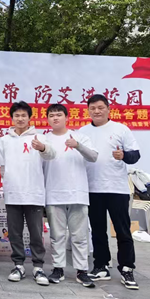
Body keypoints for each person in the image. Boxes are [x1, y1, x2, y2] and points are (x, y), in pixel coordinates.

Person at [79, 94, 141, 290]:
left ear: (108, 109)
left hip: (116, 189)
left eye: (100, 107)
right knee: (97, 230)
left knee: (122, 230)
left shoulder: (121, 129)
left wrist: (124, 155)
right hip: (92, 188)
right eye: (92, 108)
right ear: (88, 111)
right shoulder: (83, 132)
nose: (96, 111)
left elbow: (135, 155)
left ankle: (127, 268)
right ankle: (101, 266)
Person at [0, 101, 55, 286]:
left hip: (34, 193)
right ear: (12, 118)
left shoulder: (40, 137)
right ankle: (18, 265)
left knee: (36, 232)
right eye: (17, 115)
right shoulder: (4, 140)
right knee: (14, 232)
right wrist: (8, 183)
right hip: (13, 193)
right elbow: (2, 167)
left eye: (24, 115)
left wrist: (43, 148)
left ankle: (38, 266)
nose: (20, 119)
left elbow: (51, 155)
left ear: (30, 118)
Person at [44, 104, 98, 288]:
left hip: (77, 193)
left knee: (79, 235)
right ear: (47, 119)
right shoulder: (44, 139)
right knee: (57, 235)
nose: (55, 118)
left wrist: (78, 146)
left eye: (59, 114)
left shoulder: (80, 137)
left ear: (67, 117)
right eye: (51, 115)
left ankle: (82, 271)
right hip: (54, 193)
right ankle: (58, 268)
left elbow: (93, 157)